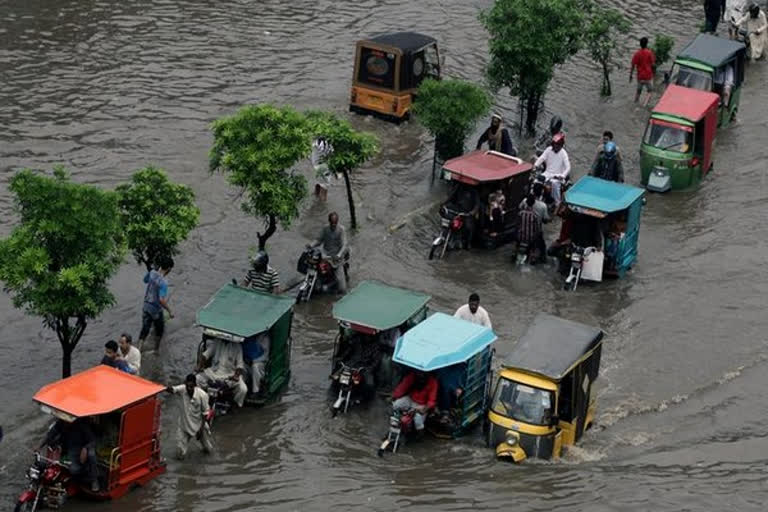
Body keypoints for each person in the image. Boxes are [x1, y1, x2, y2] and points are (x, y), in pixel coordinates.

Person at [40, 419, 99, 492]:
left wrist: (85, 448)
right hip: (67, 447)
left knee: (88, 458)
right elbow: (50, 434)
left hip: (80, 447)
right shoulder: (61, 423)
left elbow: (93, 440)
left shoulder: (82, 425)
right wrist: (40, 446)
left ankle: (93, 479)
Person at [166, 374, 213, 460]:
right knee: (180, 454)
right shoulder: (183, 389)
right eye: (187, 386)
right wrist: (163, 387)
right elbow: (172, 389)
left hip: (199, 425)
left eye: (191, 386)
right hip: (185, 426)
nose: (189, 389)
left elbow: (205, 414)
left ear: (195, 385)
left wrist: (201, 429)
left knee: (208, 450)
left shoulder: (202, 395)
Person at [196, 338, 248, 408]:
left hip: (230, 375)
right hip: (214, 373)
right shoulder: (217, 342)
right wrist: (199, 366)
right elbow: (205, 355)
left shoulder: (237, 346)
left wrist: (236, 375)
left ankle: (235, 405)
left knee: (243, 389)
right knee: (197, 378)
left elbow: (240, 365)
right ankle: (201, 400)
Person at [138, 256, 174, 352]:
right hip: (155, 309)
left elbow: (145, 280)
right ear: (169, 268)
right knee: (160, 330)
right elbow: (161, 300)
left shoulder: (152, 273)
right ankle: (156, 350)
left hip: (146, 306)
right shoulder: (164, 282)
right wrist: (169, 310)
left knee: (145, 329)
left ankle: (139, 350)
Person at [308, 212, 349, 293]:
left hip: (336, 258)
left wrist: (339, 254)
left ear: (337, 222)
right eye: (332, 223)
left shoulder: (341, 230)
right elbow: (319, 240)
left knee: (342, 289)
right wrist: (311, 244)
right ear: (329, 221)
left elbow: (344, 245)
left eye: (335, 223)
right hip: (325, 255)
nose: (333, 225)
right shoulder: (325, 228)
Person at [391, 370, 438, 436]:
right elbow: (402, 388)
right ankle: (396, 421)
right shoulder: (412, 376)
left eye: (423, 374)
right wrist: (394, 396)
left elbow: (431, 401)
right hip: (410, 399)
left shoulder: (433, 382)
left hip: (422, 404)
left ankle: (419, 434)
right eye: (419, 373)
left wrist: (424, 409)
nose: (421, 375)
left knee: (418, 420)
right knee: (396, 404)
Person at [533, 132, 571, 206]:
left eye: (557, 145)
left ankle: (557, 202)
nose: (555, 147)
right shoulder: (548, 150)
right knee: (536, 181)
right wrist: (535, 165)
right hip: (547, 173)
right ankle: (535, 197)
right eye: (554, 145)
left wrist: (563, 175)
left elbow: (568, 167)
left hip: (557, 176)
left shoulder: (564, 154)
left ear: (561, 145)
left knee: (554, 185)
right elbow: (542, 158)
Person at [630, 37, 656, 107]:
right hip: (648, 76)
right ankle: (645, 104)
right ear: (647, 44)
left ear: (640, 44)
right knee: (650, 91)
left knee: (638, 92)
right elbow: (653, 65)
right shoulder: (650, 53)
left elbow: (633, 65)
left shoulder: (637, 54)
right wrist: (654, 73)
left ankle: (635, 104)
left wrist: (631, 75)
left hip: (640, 77)